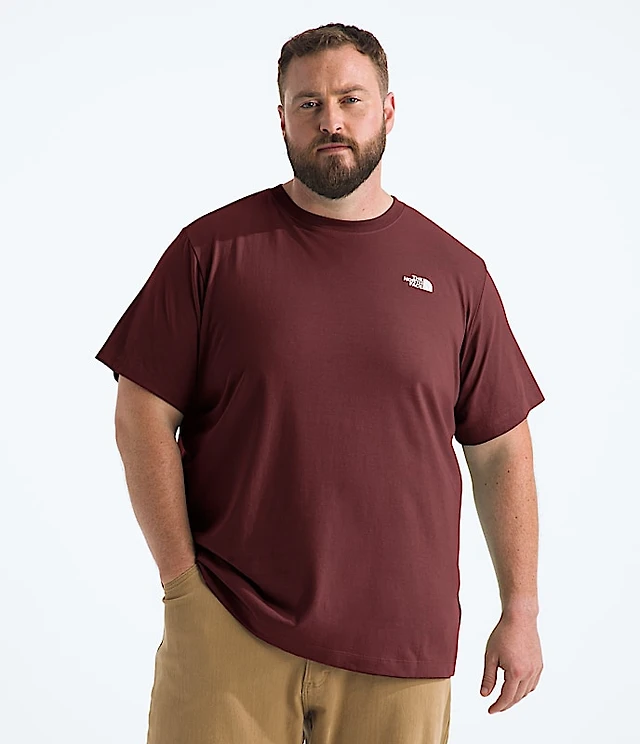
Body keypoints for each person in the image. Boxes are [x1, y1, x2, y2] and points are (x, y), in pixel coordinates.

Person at [95, 22, 545, 744]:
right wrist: (181, 584)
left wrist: (520, 609)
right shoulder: (212, 251)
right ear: (282, 119)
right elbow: (141, 413)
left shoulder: (457, 274)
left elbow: (500, 450)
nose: (331, 120)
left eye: (350, 100)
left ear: (388, 111)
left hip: (401, 643)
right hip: (229, 624)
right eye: (309, 104)